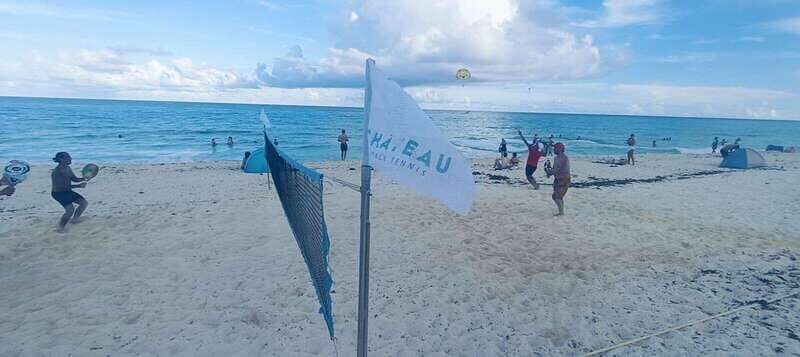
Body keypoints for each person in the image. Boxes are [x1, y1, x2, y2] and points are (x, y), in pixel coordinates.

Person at [50, 152, 88, 232]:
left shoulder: (68, 168)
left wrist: (83, 178)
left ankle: (75, 219)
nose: (71, 159)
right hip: (59, 193)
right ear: (61, 159)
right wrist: (79, 186)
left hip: (67, 191)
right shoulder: (57, 172)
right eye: (68, 157)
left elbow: (74, 179)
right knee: (70, 210)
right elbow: (62, 187)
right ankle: (60, 227)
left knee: (84, 203)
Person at [545, 143, 570, 216]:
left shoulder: (560, 158)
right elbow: (556, 169)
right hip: (561, 179)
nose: (553, 149)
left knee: (557, 197)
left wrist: (549, 172)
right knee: (556, 196)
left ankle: (561, 213)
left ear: (559, 149)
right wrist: (550, 172)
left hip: (562, 180)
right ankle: (561, 211)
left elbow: (556, 170)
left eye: (555, 148)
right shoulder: (562, 157)